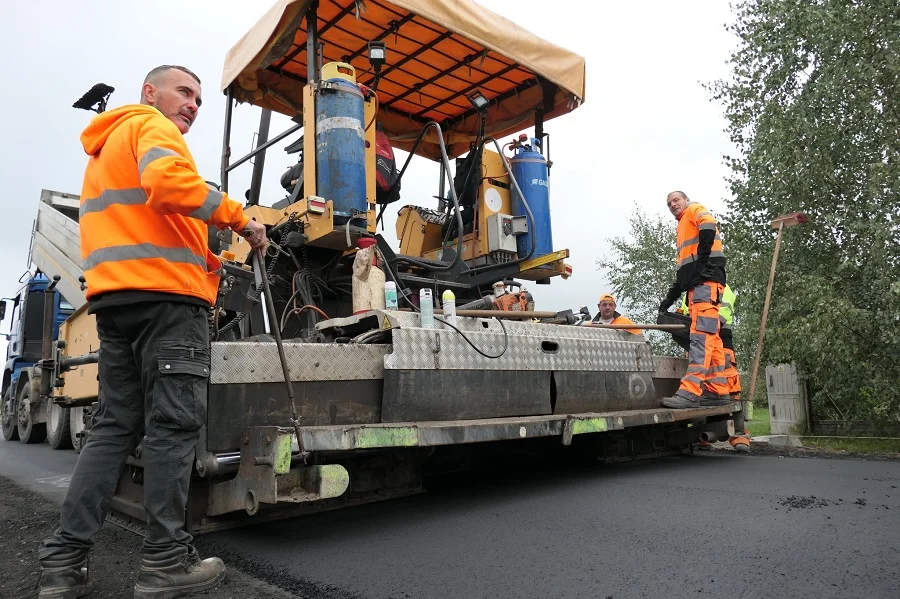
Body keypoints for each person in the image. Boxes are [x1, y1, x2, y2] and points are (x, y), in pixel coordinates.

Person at [37, 65, 268, 599]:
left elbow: (152, 219)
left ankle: (63, 564)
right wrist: (240, 218)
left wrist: (210, 260)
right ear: (150, 92)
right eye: (184, 92)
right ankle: (166, 561)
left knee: (114, 428)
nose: (192, 104)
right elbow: (170, 187)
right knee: (173, 427)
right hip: (166, 305)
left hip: (117, 302)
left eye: (198, 99)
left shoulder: (107, 147)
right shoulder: (153, 127)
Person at [657, 190, 730, 409]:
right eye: (669, 203)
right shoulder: (682, 228)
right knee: (712, 341)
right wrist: (668, 300)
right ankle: (718, 392)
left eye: (675, 200)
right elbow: (684, 273)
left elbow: (708, 224)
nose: (672, 205)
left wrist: (704, 260)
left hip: (704, 287)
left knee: (699, 338)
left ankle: (689, 393)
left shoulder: (693, 209)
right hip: (699, 286)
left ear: (685, 200)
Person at [677, 284, 751, 452]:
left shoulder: (723, 289)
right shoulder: (690, 292)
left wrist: (695, 328)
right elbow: (688, 315)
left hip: (721, 346)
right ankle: (701, 436)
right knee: (699, 391)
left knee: (731, 391)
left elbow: (720, 318)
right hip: (698, 347)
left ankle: (740, 436)